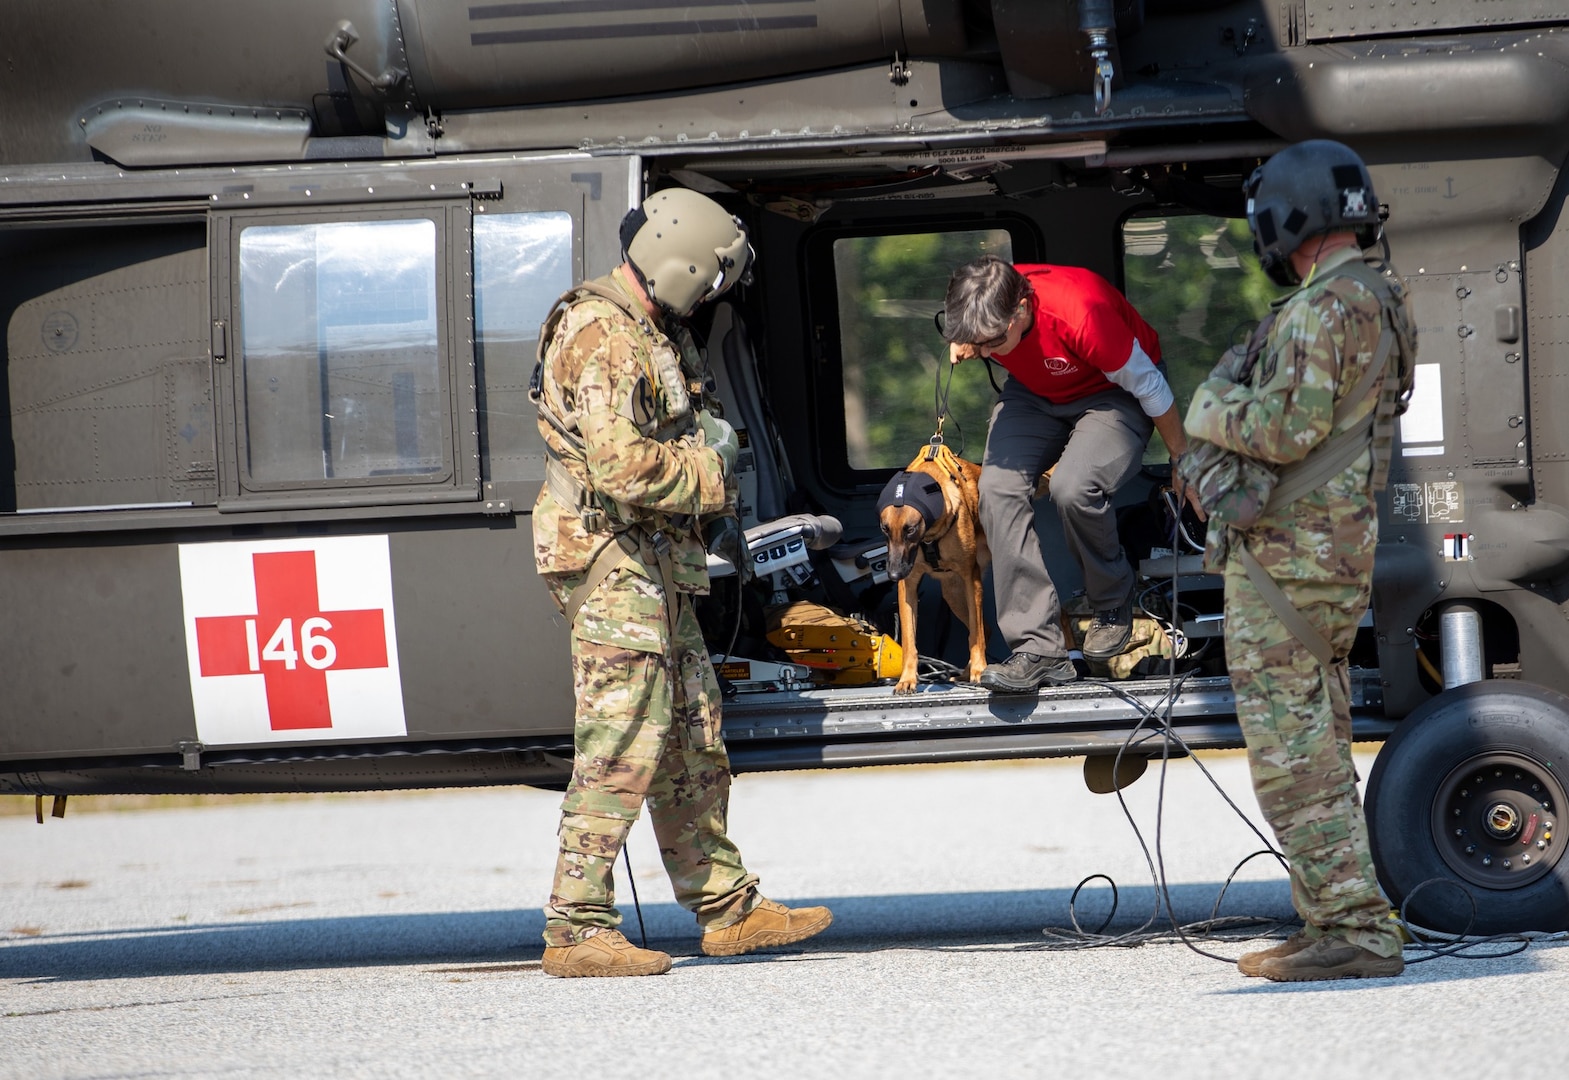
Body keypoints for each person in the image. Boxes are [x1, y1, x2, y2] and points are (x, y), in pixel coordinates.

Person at [529, 188, 831, 977]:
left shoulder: (649, 329)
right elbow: (618, 464)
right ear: (685, 266)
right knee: (622, 740)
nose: (712, 296)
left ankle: (726, 909)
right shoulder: (603, 335)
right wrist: (710, 471)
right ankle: (576, 926)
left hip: (651, 558)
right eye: (712, 281)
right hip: (609, 556)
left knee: (692, 730)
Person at [1182, 139, 1415, 981]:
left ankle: (1353, 928)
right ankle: (1332, 916)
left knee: (1290, 755)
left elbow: (1284, 431)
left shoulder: (1322, 310)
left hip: (1289, 557)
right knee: (1317, 738)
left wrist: (1208, 407)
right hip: (1331, 550)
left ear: (1292, 218)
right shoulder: (1381, 300)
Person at [941, 255, 1201, 693]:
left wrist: (1182, 459)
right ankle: (1039, 649)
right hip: (1037, 391)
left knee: (1073, 486)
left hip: (1113, 391)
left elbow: (1152, 388)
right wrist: (971, 337)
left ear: (1021, 309)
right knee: (997, 489)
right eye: (976, 341)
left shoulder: (1082, 312)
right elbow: (981, 329)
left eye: (990, 340)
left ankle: (1112, 604)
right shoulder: (986, 295)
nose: (984, 352)